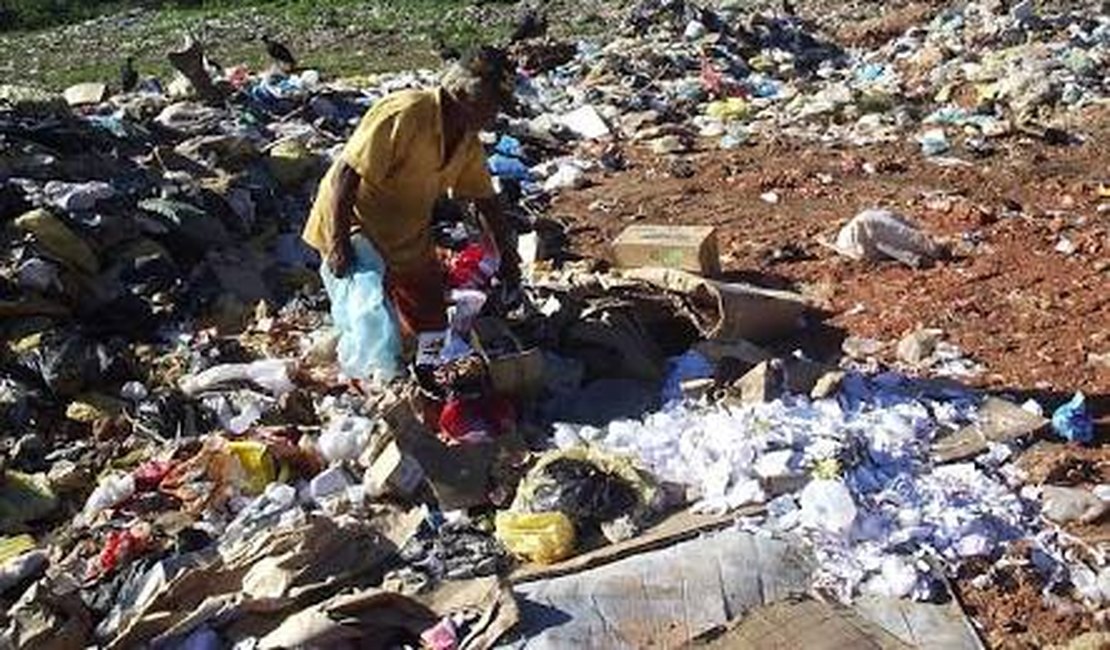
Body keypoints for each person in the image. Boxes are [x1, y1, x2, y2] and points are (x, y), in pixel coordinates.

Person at [302, 47, 520, 343]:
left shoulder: (466, 140)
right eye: (493, 106)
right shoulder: (406, 113)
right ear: (469, 96)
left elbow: (484, 200)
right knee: (372, 324)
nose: (495, 116)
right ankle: (375, 375)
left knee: (431, 327)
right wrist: (339, 242)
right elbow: (347, 174)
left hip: (406, 235)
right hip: (356, 225)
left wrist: (507, 256)